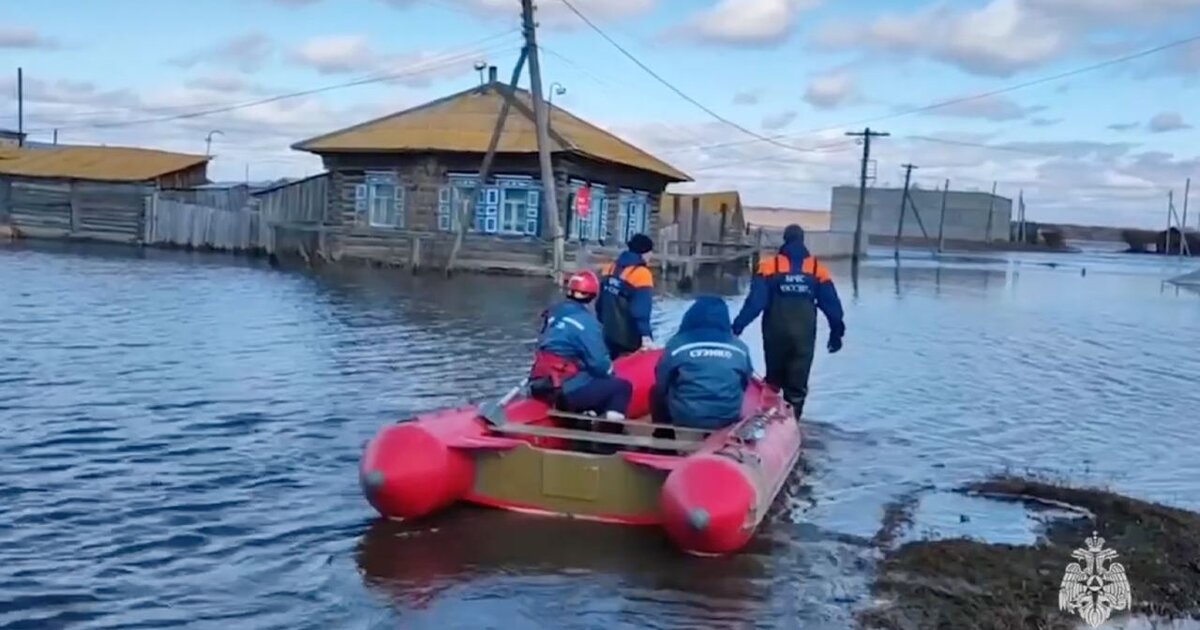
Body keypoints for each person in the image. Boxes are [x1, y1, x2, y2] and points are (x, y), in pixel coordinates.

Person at [731, 224, 844, 419]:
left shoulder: (769, 267)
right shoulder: (817, 269)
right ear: (802, 240)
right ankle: (793, 426)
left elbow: (755, 303)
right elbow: (832, 305)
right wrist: (837, 333)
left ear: (784, 240)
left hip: (775, 333)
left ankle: (767, 424)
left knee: (773, 382)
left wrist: (737, 327)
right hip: (804, 336)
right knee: (797, 388)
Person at [528, 270, 632, 422]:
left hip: (540, 383)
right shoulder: (587, 323)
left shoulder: (553, 314)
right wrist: (610, 373)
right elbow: (600, 365)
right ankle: (609, 436)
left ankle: (585, 416)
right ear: (592, 296)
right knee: (621, 388)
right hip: (564, 388)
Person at [652, 296, 753, 431]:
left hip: (686, 416)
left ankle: (662, 434)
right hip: (727, 416)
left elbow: (661, 380)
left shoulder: (677, 345)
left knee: (654, 392)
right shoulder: (740, 348)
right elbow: (746, 382)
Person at [597, 233, 655, 359]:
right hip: (629, 340)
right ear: (644, 252)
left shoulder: (610, 268)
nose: (651, 256)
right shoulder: (642, 274)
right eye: (650, 252)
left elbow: (600, 303)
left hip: (608, 335)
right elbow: (641, 311)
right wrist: (646, 337)